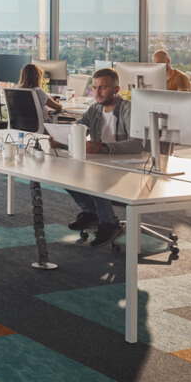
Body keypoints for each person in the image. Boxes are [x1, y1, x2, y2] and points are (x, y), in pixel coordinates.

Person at [59, 68, 145, 247]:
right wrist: (60, 138)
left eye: (103, 88)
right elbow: (79, 127)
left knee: (96, 177)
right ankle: (92, 213)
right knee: (62, 173)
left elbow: (137, 144)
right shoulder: (95, 108)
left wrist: (104, 148)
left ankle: (109, 222)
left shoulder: (128, 109)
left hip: (129, 166)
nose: (97, 92)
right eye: (95, 87)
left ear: (116, 89)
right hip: (103, 162)